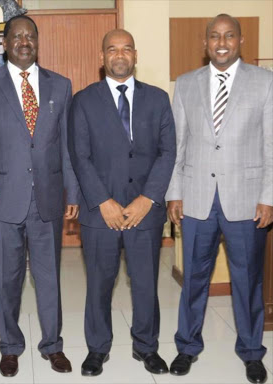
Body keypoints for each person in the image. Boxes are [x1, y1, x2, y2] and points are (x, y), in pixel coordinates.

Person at [0, 15, 80, 378]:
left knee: (48, 277)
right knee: (7, 278)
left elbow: (67, 144)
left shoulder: (60, 86)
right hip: (2, 199)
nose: (24, 41)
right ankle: (10, 347)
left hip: (47, 198)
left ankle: (53, 345)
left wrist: (72, 191)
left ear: (37, 42)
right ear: (5, 43)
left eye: (30, 36)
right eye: (17, 36)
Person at [166, 14, 272, 384]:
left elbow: (272, 144)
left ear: (241, 40)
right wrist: (174, 192)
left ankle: (251, 352)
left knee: (247, 280)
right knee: (194, 277)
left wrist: (268, 197)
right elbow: (177, 144)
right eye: (215, 36)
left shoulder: (265, 82)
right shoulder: (186, 83)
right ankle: (187, 346)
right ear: (205, 43)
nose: (222, 42)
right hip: (196, 197)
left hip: (246, 199)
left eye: (229, 36)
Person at [68, 29, 176, 377]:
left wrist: (148, 198)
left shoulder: (158, 100)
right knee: (99, 283)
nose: (119, 55)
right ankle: (97, 349)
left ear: (135, 55)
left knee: (145, 283)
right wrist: (103, 201)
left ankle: (146, 347)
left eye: (126, 48)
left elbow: (167, 152)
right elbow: (79, 156)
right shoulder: (83, 100)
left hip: (146, 212)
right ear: (102, 58)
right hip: (101, 214)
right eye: (112, 49)